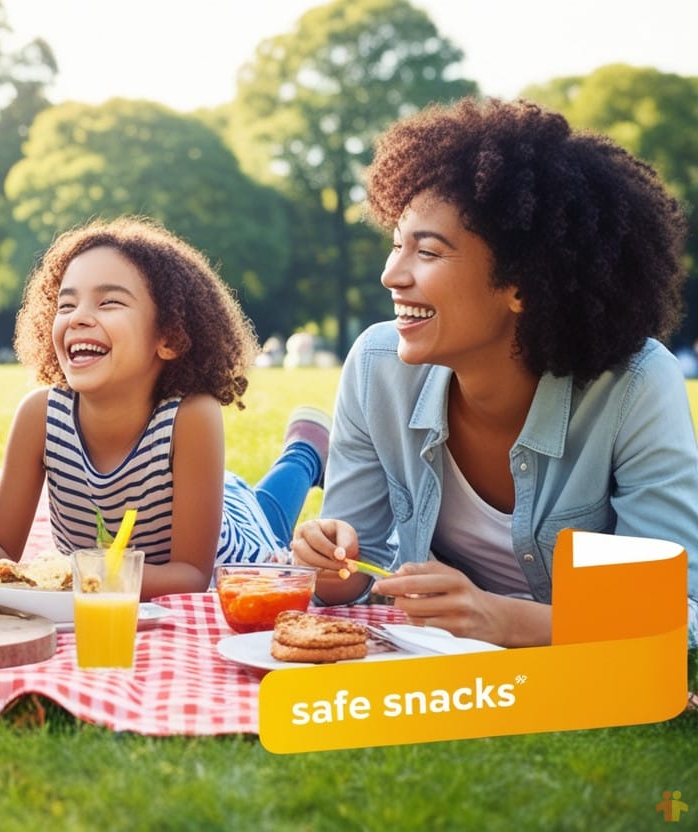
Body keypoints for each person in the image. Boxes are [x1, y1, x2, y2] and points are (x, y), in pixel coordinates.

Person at [292, 97, 698, 648]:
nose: (392, 274)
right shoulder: (376, 367)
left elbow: (678, 613)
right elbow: (351, 579)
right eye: (396, 246)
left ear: (521, 286)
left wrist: (501, 620)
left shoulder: (634, 384)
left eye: (428, 253)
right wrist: (330, 562)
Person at [0, 217, 332, 598]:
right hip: (129, 558)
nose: (79, 319)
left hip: (235, 549)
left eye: (108, 303)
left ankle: (306, 451)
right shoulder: (40, 416)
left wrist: (85, 574)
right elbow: (1, 553)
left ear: (170, 337)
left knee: (272, 518)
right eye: (66, 305)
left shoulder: (192, 415)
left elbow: (191, 575)